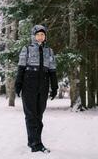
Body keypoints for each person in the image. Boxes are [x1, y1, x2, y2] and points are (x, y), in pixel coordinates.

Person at [15, 25, 58, 153]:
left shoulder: (49, 51)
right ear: (33, 36)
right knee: (31, 115)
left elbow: (52, 71)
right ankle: (35, 144)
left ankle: (34, 141)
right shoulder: (26, 49)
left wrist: (54, 87)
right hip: (29, 85)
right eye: (38, 34)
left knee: (39, 116)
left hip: (43, 86)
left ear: (45, 36)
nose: (40, 36)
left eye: (42, 34)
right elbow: (21, 67)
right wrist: (18, 84)